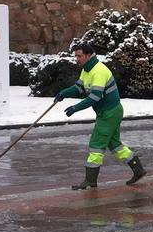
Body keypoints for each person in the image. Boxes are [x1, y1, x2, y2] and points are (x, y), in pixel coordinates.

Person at [56, 42, 147, 190]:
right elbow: (79, 87)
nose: (77, 59)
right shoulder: (87, 69)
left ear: (88, 55)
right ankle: (138, 169)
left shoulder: (98, 71)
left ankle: (90, 180)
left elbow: (94, 97)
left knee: (96, 145)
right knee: (115, 145)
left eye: (79, 56)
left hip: (109, 112)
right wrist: (64, 93)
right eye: (76, 56)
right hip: (110, 111)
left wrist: (75, 108)